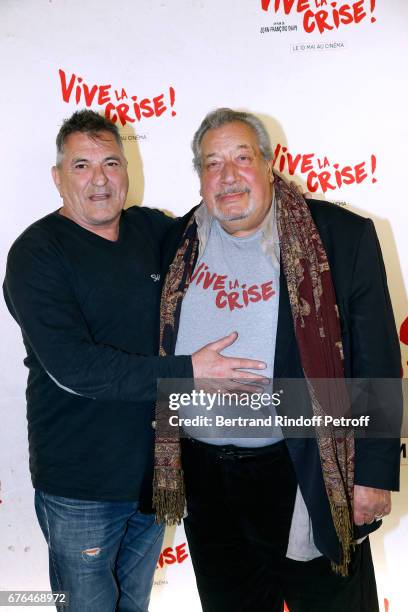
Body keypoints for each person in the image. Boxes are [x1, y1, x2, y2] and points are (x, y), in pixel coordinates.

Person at [2, 109, 267, 611]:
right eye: (81, 166)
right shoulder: (36, 255)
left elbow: (225, 218)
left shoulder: (150, 229)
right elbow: (77, 369)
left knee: (136, 604)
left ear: (127, 172)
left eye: (110, 163)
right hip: (81, 486)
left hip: (155, 475)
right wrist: (191, 371)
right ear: (58, 179)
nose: (99, 179)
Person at [154, 108, 402, 612]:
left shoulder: (338, 236)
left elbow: (377, 354)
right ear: (199, 177)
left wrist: (373, 473)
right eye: (211, 163)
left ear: (270, 163)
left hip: (302, 470)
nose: (227, 175)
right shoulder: (176, 241)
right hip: (206, 477)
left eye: (242, 157)